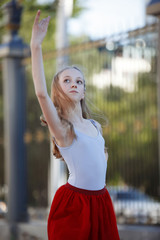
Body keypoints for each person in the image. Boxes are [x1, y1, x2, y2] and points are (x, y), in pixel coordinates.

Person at [30, 10, 120, 240]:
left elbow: (100, 160)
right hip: (75, 205)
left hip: (101, 202)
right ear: (58, 90)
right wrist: (36, 46)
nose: (74, 84)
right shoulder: (63, 129)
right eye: (67, 80)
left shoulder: (94, 126)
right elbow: (40, 93)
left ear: (83, 92)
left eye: (78, 81)